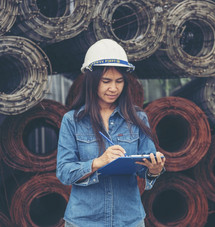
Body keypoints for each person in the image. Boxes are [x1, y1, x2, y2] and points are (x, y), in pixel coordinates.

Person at [56, 39, 166, 227]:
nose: (113, 88)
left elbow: (144, 166)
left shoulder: (137, 118)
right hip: (84, 220)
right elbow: (64, 172)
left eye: (119, 81)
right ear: (91, 81)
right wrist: (98, 162)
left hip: (128, 219)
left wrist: (153, 170)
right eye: (106, 81)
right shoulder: (72, 120)